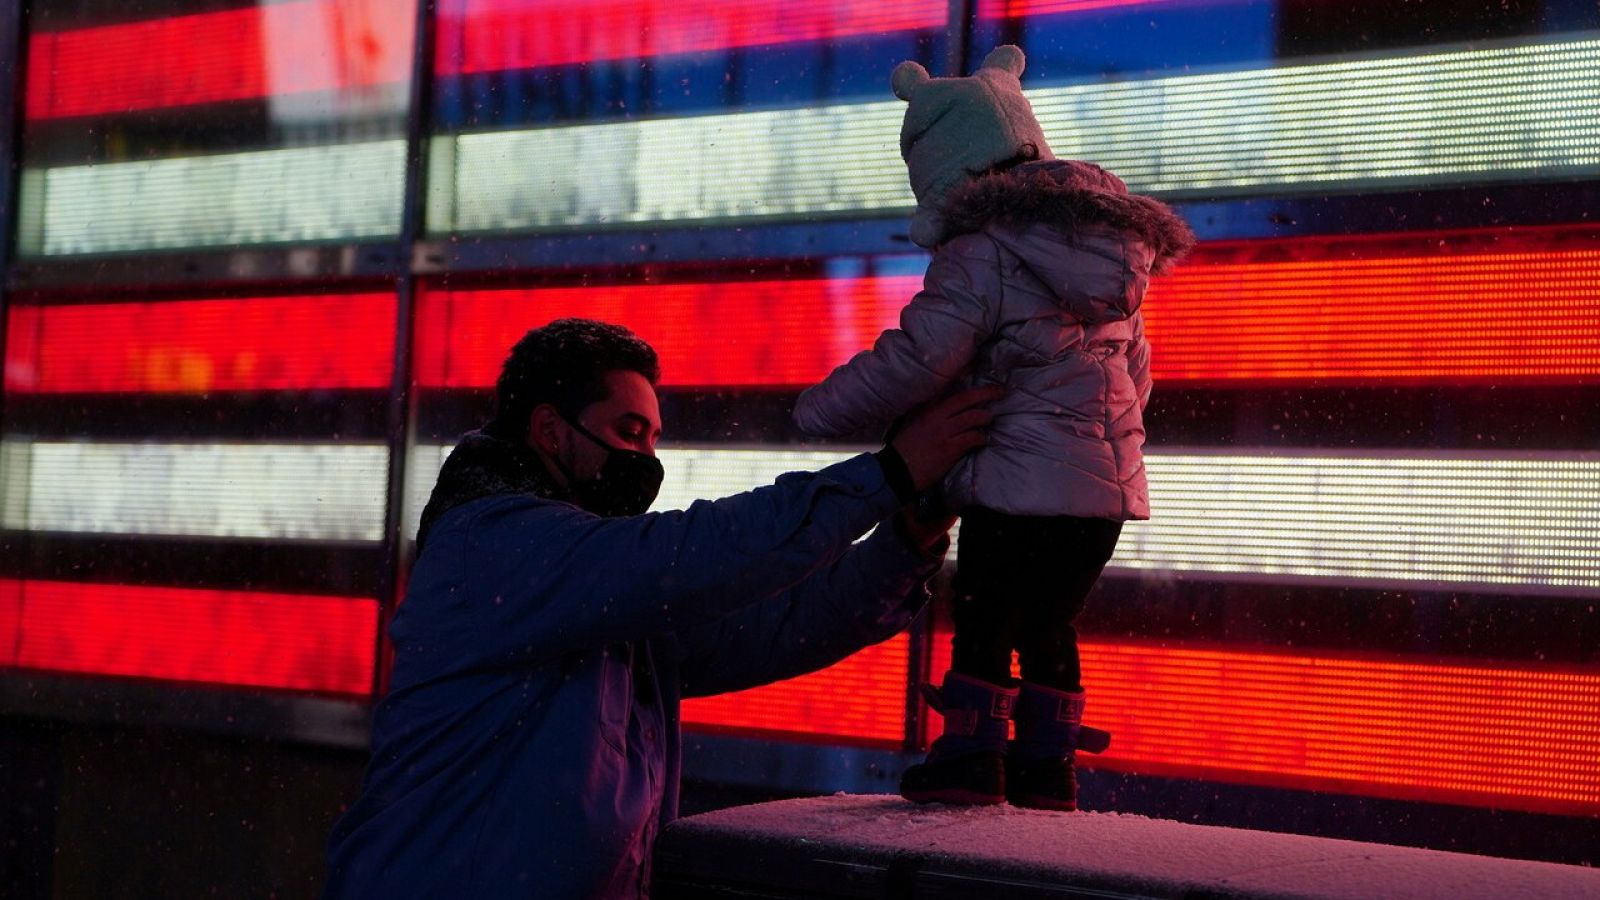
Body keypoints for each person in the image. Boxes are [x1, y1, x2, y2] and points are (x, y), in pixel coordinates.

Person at [323, 318, 999, 899]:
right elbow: (701, 555)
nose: (647, 459)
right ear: (550, 432)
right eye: (628, 430)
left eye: (652, 437)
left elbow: (776, 628)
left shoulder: (603, 597)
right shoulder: (496, 544)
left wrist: (910, 535)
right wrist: (889, 474)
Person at [793, 46, 1194, 812]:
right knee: (1051, 623)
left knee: (983, 616)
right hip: (1102, 499)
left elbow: (919, 359)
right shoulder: (1114, 253)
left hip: (1013, 486)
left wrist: (820, 410)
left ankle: (972, 758)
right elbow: (1136, 379)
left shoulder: (981, 253)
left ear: (947, 168)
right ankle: (1047, 769)